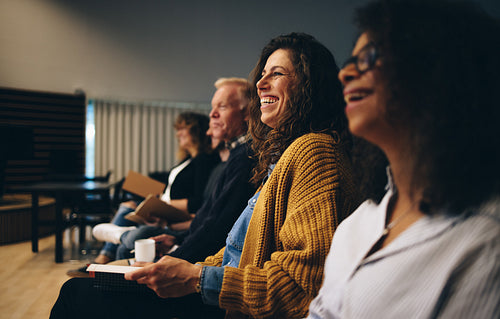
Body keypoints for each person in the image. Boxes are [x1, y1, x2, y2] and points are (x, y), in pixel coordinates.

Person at [50, 32, 360, 318]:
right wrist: (187, 268)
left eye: (276, 73)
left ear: (310, 84)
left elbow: (303, 287)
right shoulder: (285, 154)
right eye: (262, 74)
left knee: (77, 295)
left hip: (226, 305)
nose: (261, 84)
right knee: (85, 290)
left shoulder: (314, 153)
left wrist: (196, 278)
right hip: (217, 293)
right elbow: (236, 249)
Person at [307, 0, 500, 318]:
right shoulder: (358, 223)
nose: (346, 73)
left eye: (370, 56)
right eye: (350, 59)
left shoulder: (484, 242)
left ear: (439, 70)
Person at [107, 78, 258, 263]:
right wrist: (177, 239)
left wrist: (172, 259)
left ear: (247, 113)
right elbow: (207, 219)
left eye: (223, 107)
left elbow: (218, 229)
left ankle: (118, 240)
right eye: (212, 108)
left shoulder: (246, 158)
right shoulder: (237, 155)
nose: (212, 115)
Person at [88, 112, 219, 265]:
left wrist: (163, 206)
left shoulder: (203, 161)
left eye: (183, 129)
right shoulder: (187, 160)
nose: (178, 134)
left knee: (125, 212)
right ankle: (109, 252)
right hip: (166, 205)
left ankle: (105, 255)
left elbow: (197, 201)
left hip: (177, 213)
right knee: (127, 206)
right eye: (177, 130)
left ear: (197, 131)